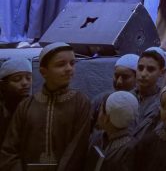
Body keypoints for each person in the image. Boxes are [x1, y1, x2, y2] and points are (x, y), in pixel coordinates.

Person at [0, 42, 91, 170]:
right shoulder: (26, 106)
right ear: (43, 72)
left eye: (72, 63)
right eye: (61, 64)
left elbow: (77, 150)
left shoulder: (80, 103)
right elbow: (9, 150)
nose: (69, 68)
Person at [92, 91, 138, 171]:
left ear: (106, 118)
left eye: (100, 109)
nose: (98, 112)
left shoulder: (129, 149)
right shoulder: (98, 137)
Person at [131, 47, 166, 141]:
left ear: (162, 72)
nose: (143, 74)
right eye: (140, 68)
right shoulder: (126, 98)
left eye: (150, 69)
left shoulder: (164, 103)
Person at [0, 58, 32, 144]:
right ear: (3, 84)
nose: (25, 83)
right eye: (17, 79)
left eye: (28, 78)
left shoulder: (34, 106)